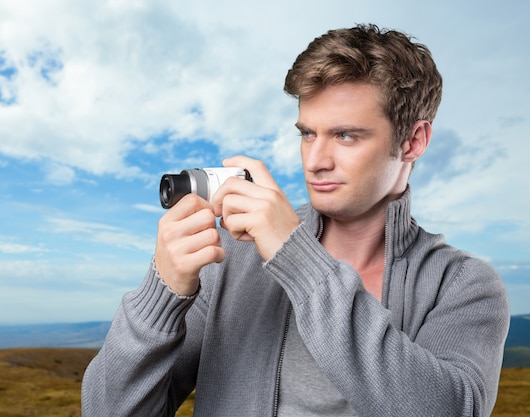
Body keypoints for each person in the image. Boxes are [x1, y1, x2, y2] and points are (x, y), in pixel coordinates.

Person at [81, 24, 509, 416]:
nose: (316, 162)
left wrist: (296, 257)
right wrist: (162, 293)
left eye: (345, 135)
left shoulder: (463, 285)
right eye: (308, 134)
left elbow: (451, 409)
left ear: (413, 141)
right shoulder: (231, 255)